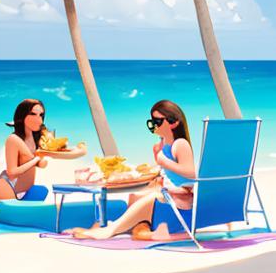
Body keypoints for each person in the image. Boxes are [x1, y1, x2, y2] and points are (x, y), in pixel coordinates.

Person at [74, 100, 195, 239]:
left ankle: (110, 230)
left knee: (152, 196)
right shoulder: (161, 145)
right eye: (152, 122)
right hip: (169, 193)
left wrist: (164, 162)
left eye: (158, 121)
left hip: (182, 198)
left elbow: (190, 173)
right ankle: (136, 230)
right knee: (135, 195)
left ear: (174, 122)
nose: (154, 126)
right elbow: (165, 173)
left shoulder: (180, 144)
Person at [0, 99, 86, 201]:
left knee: (43, 191)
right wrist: (36, 160)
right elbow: (12, 172)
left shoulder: (38, 139)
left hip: (26, 190)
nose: (38, 120)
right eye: (33, 114)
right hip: (8, 186)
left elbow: (55, 153)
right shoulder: (13, 139)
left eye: (41, 115)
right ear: (22, 116)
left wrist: (79, 151)